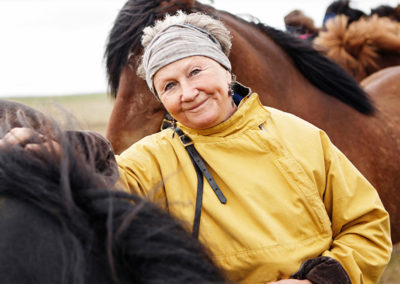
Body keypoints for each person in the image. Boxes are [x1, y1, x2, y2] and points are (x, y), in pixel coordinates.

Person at [1, 11, 392, 284]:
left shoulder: (302, 136)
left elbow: (368, 224)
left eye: (195, 71)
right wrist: (58, 149)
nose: (187, 93)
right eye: (168, 86)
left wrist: (321, 281)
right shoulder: (156, 155)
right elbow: (109, 174)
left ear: (225, 70)